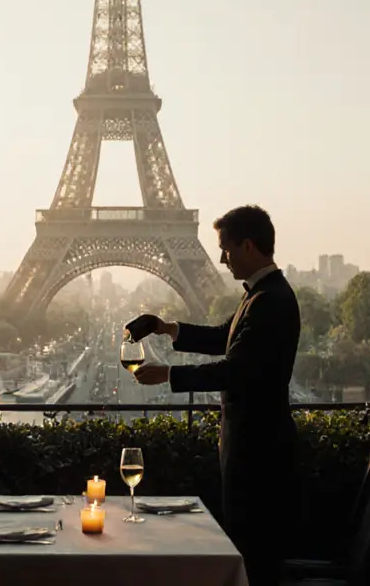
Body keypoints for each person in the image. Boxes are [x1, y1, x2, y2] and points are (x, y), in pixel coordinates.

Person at [131, 205, 300, 586]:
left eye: (226, 249)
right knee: (249, 551)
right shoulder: (263, 295)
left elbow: (235, 371)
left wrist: (169, 375)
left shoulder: (270, 301)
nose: (222, 259)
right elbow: (225, 337)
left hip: (258, 453)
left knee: (254, 556)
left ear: (248, 246)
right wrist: (165, 327)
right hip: (255, 448)